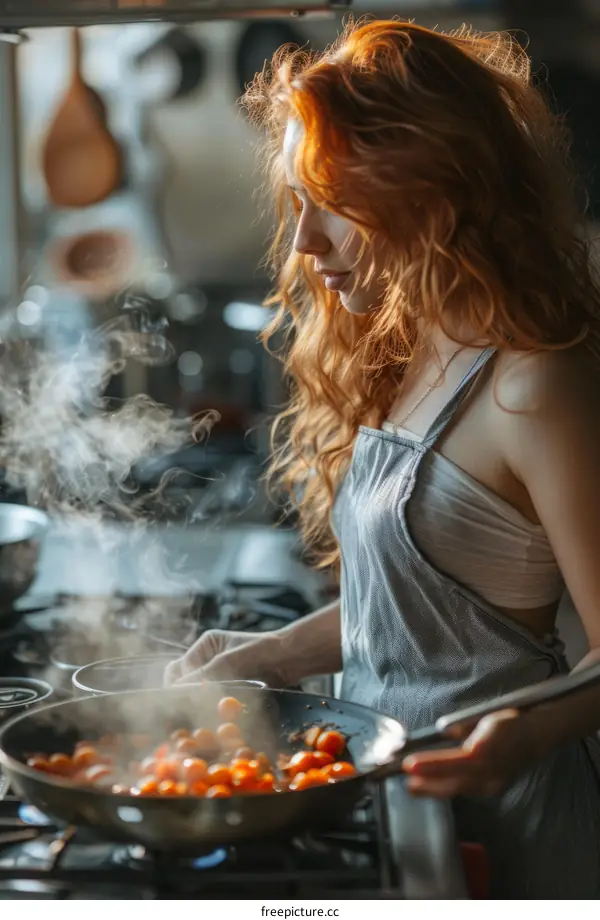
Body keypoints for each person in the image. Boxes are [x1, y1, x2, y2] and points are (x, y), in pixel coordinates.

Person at [165, 20, 600, 897]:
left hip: (513, 832)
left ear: (429, 185)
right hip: (395, 802)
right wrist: (276, 652)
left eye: (331, 202)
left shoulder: (534, 384)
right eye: (299, 204)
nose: (304, 246)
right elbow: (422, 616)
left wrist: (527, 728)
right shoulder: (408, 354)